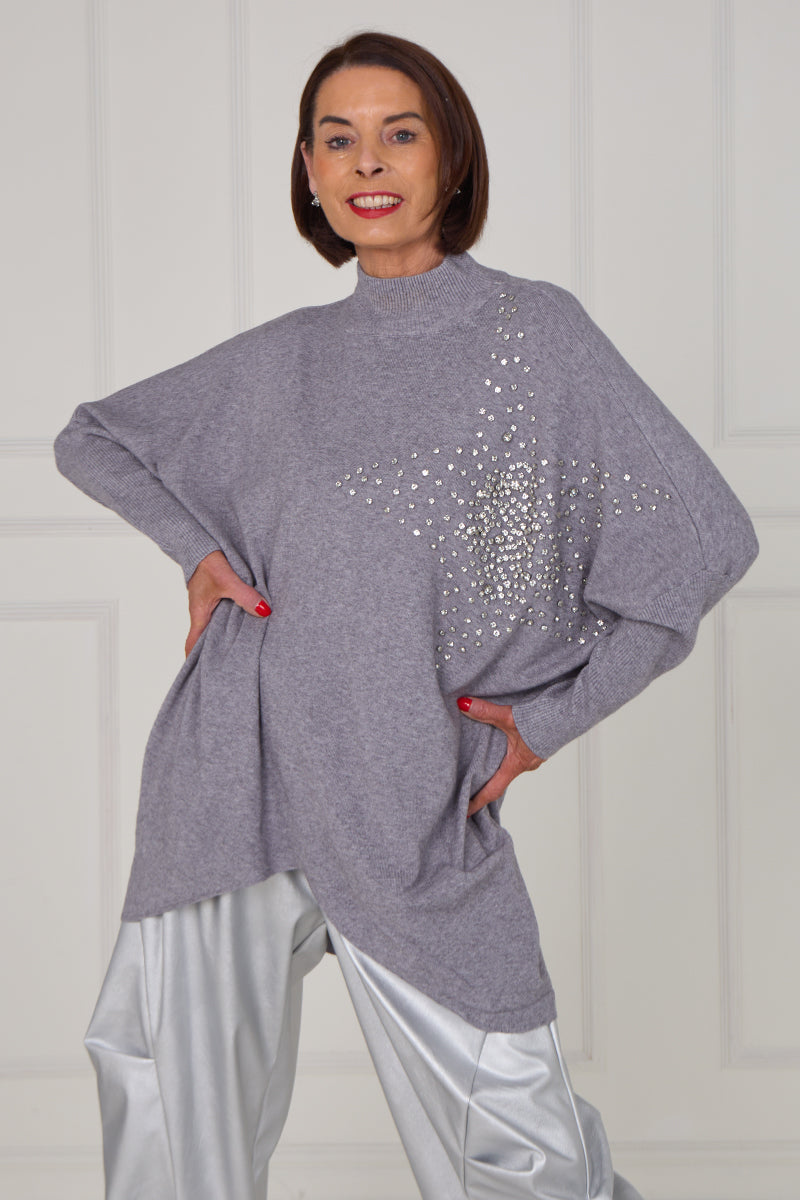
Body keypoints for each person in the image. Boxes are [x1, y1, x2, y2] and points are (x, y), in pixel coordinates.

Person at [54, 30, 758, 1200]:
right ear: (308, 169)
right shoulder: (282, 361)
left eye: (398, 133)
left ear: (449, 157)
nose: (365, 162)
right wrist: (199, 555)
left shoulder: (532, 337)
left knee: (518, 1153)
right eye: (336, 139)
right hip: (232, 778)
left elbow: (701, 543)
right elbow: (97, 439)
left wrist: (547, 722)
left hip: (409, 794)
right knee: (171, 1117)